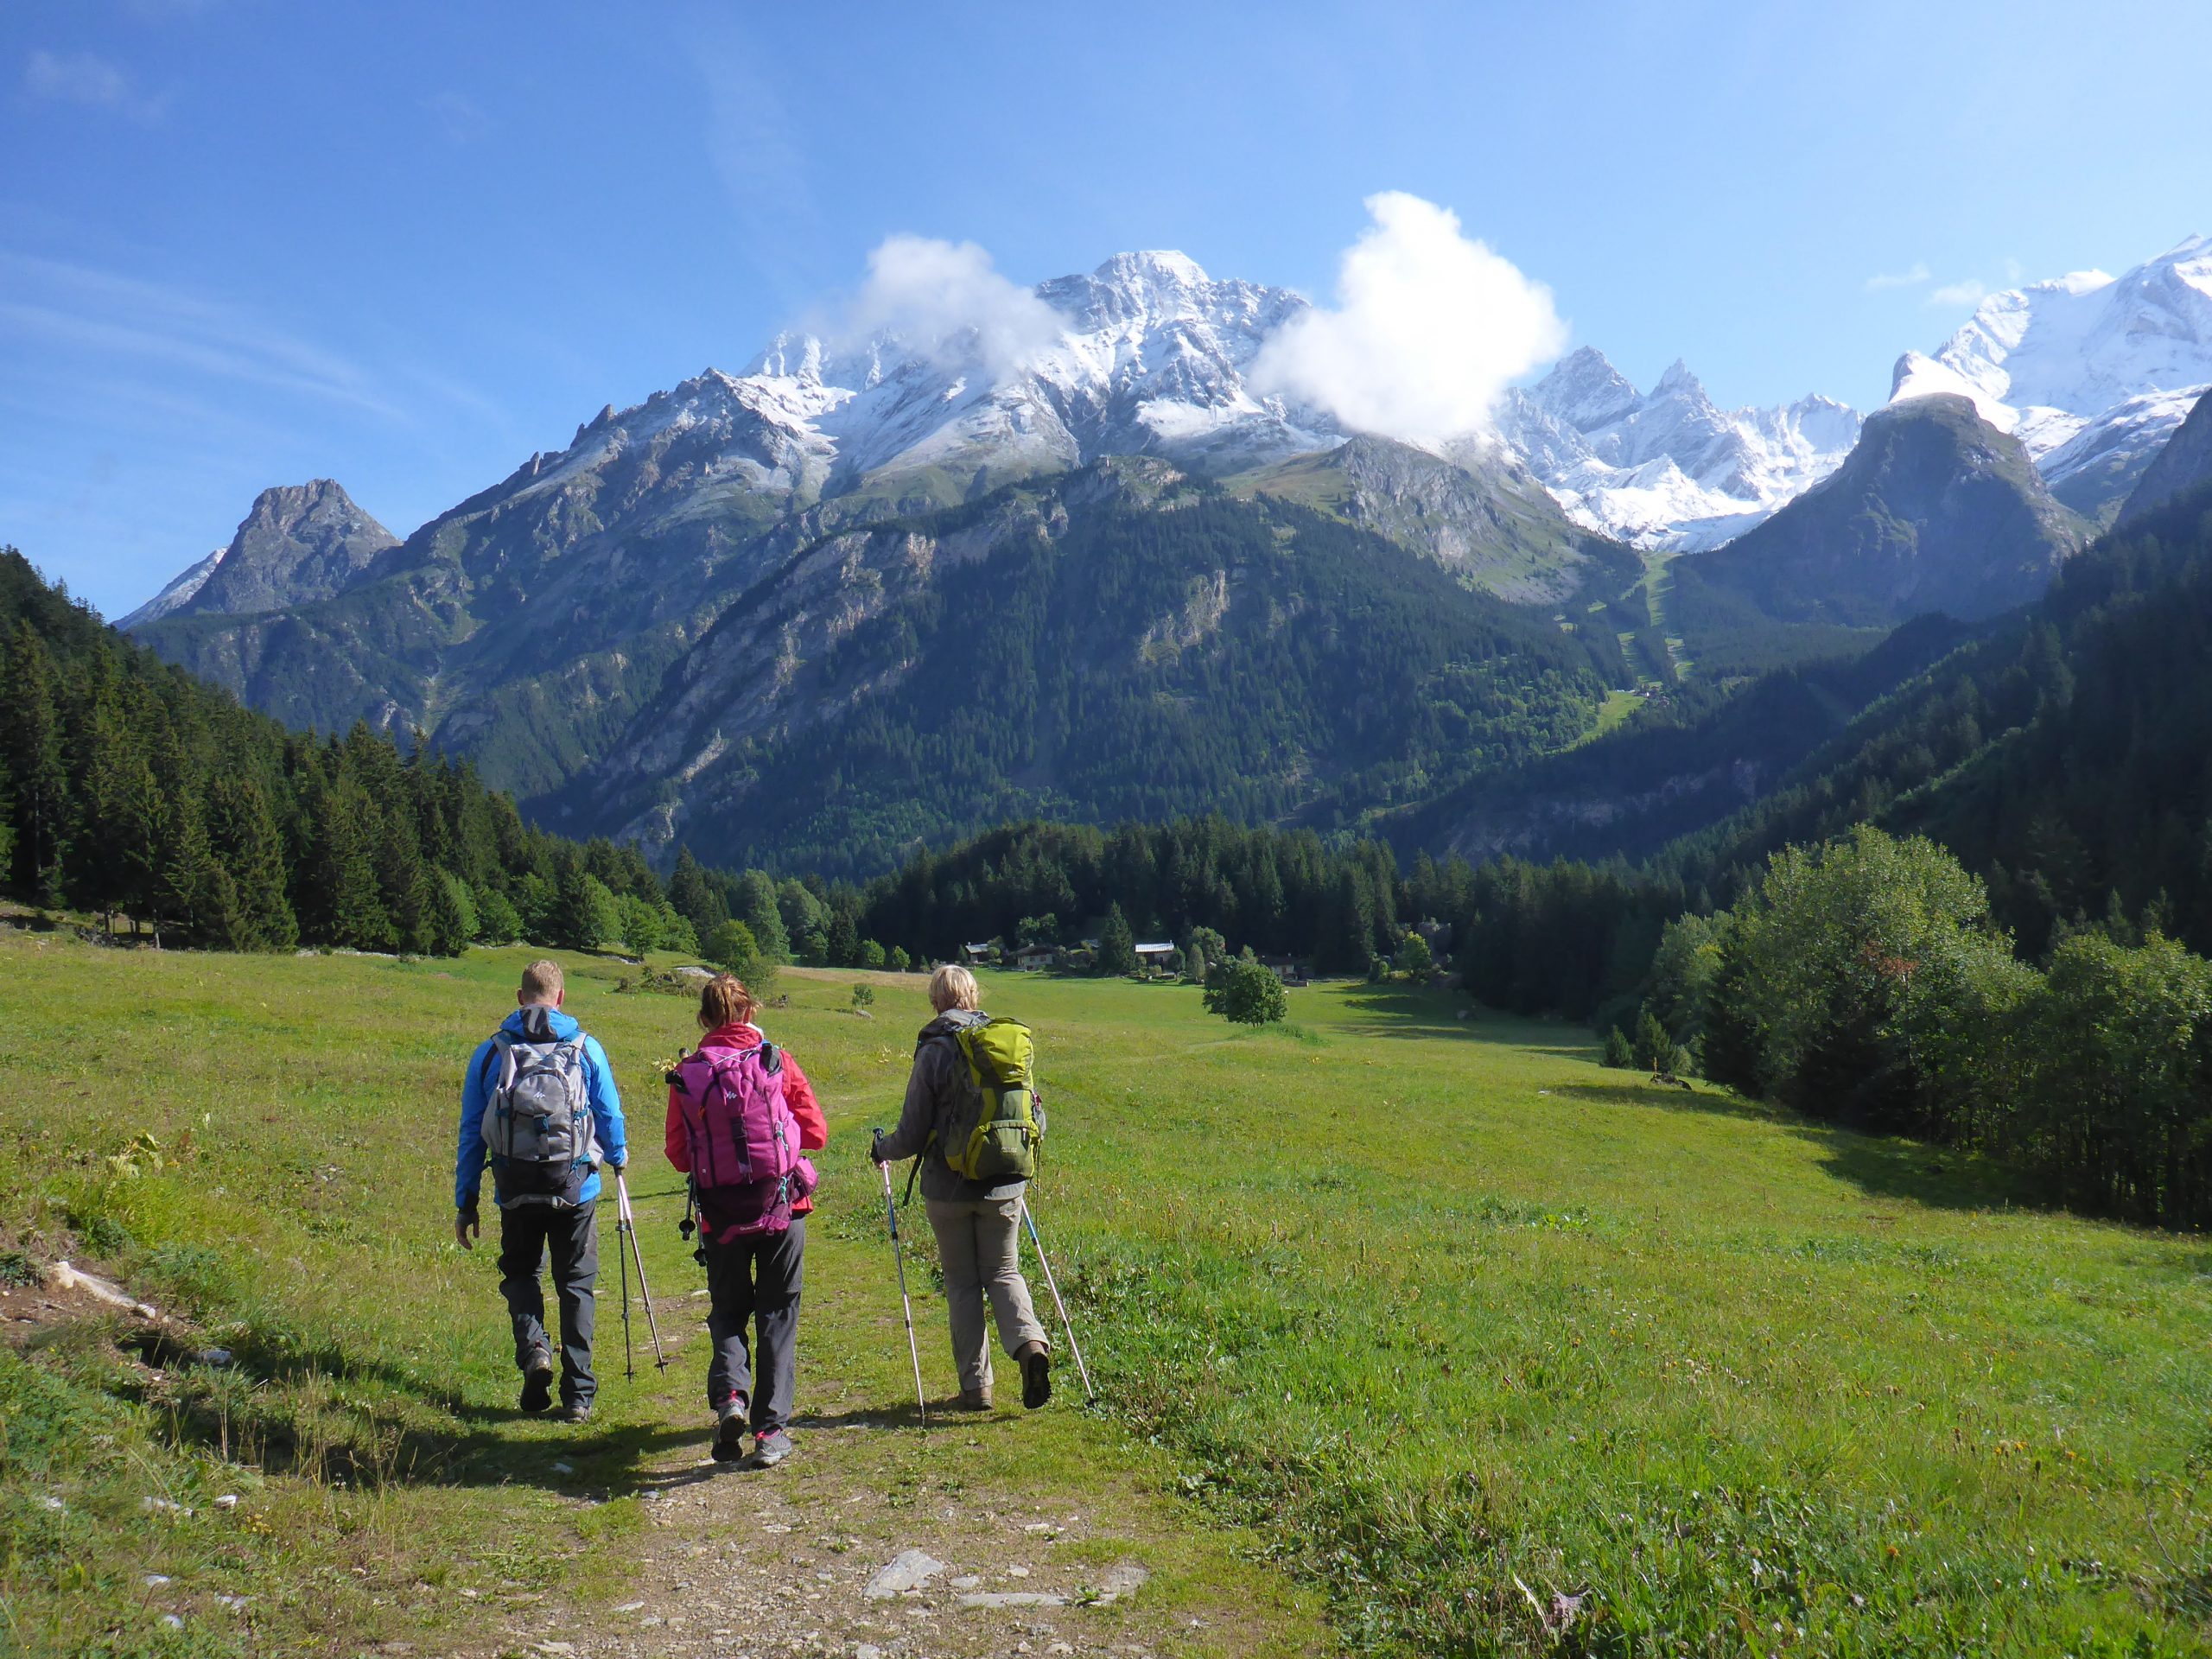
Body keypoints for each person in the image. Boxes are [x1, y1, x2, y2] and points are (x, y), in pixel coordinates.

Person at [872, 963, 1051, 1412]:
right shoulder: (1006, 1045)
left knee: (962, 1283)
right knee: (1004, 1272)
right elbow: (1038, 1118)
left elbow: (911, 1134)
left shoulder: (934, 1049)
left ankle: (976, 1389)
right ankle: (1031, 1348)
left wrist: (883, 1149)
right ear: (973, 995)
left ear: (936, 999)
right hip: (1005, 1183)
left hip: (947, 1190)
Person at [664, 973, 826, 1468]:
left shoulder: (689, 1073)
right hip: (782, 1208)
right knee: (777, 1313)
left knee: (729, 1311)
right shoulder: (775, 1060)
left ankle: (731, 1396)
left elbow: (676, 1154)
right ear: (750, 1012)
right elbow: (816, 1132)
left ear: (705, 1019)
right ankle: (770, 1430)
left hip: (718, 1215)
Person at [454, 958, 626, 1424]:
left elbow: (472, 1131)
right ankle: (578, 1396)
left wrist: (465, 1201)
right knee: (575, 1284)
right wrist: (618, 1155)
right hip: (575, 1186)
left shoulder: (491, 1053)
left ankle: (535, 1353)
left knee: (522, 1275)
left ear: (520, 997)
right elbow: (608, 1116)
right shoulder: (586, 1048)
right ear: (561, 997)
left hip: (515, 1187)